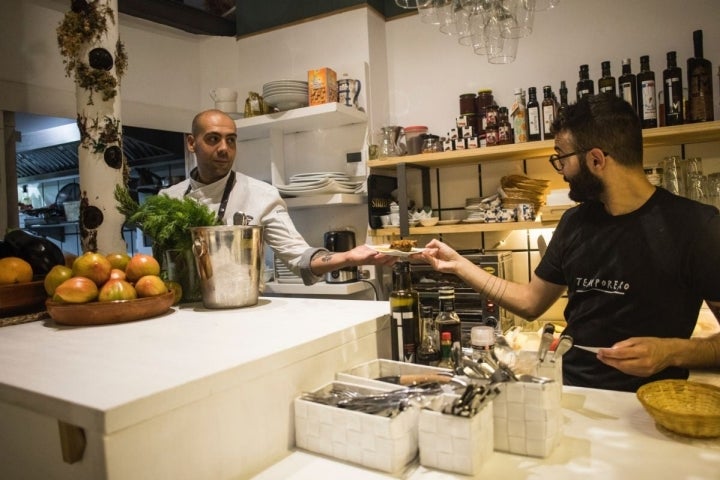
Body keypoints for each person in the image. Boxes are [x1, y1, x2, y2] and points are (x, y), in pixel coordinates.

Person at [419, 94, 720, 392]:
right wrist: (458, 264)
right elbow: (530, 303)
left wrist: (672, 352)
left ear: (596, 160)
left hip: (653, 408)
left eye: (562, 157)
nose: (560, 170)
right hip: (571, 396)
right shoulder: (574, 223)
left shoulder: (697, 227)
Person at [160, 109, 395, 285]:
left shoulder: (260, 194)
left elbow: (298, 256)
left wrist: (348, 257)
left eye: (231, 140)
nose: (224, 148)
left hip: (241, 313)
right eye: (213, 139)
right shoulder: (167, 200)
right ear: (192, 143)